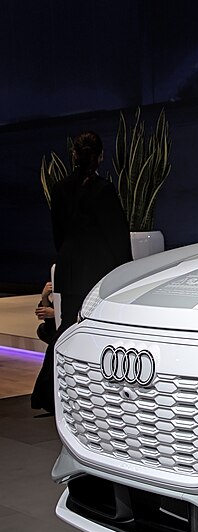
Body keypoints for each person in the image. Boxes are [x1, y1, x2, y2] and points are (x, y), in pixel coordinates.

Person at [49, 131, 132, 334]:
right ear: (101, 156)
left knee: (68, 327)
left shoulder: (59, 188)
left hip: (68, 270)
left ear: (74, 154)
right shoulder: (104, 190)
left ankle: (54, 366)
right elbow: (117, 237)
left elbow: (58, 235)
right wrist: (127, 272)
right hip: (98, 272)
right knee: (97, 328)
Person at [30, 282, 57, 413]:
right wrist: (45, 297)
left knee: (54, 343)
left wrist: (55, 313)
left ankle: (46, 397)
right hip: (59, 325)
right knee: (45, 330)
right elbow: (50, 320)